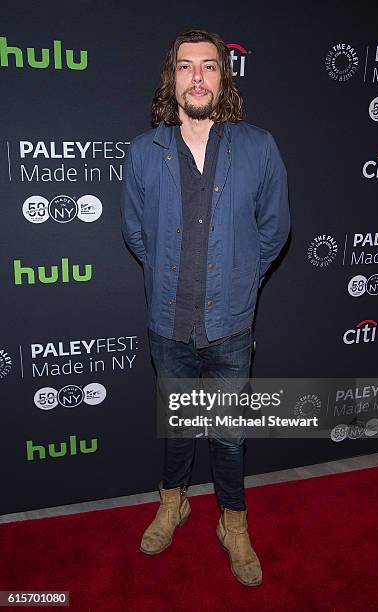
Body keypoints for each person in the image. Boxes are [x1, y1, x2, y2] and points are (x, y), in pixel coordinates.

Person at [121, 28, 290, 587]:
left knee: (227, 433)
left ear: (224, 77)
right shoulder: (143, 154)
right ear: (172, 78)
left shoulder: (260, 147)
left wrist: (242, 281)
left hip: (232, 325)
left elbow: (275, 230)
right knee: (176, 427)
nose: (197, 76)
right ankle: (174, 503)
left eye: (210, 66)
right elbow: (136, 234)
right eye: (186, 66)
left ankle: (233, 522)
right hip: (168, 323)